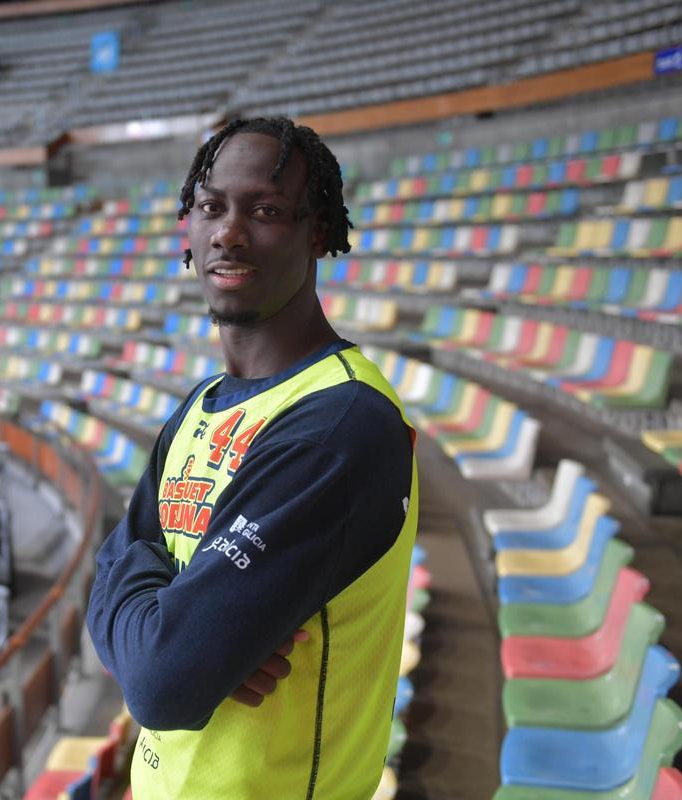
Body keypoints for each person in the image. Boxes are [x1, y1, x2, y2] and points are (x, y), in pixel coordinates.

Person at [85, 117, 419, 799]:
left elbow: (159, 683)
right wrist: (175, 624)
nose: (228, 234)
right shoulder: (200, 405)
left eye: (265, 211)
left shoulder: (339, 426)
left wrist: (167, 619)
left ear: (317, 231)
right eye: (211, 207)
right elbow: (109, 576)